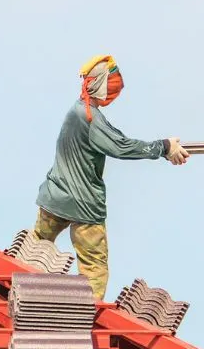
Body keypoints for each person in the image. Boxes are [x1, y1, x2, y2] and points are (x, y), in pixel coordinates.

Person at [32, 55, 189, 300]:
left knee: (35, 248)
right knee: (94, 266)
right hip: (84, 207)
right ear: (102, 85)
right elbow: (121, 146)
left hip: (54, 198)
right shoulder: (91, 118)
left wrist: (164, 149)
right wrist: (163, 147)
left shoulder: (76, 112)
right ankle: (87, 314)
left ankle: (14, 286)